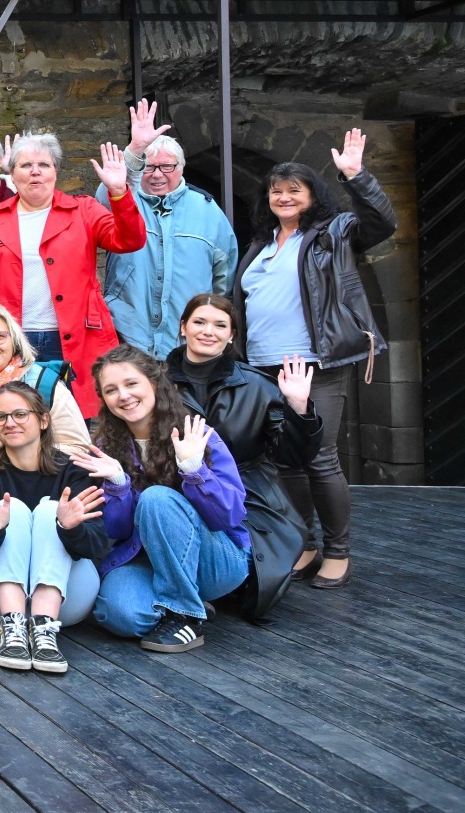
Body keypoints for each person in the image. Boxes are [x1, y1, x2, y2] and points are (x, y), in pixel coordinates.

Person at [231, 129, 396, 591]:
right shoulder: (261, 244)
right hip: (262, 366)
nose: (283, 197)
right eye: (276, 191)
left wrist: (356, 176)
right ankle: (304, 544)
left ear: (311, 196)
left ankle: (338, 551)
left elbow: (382, 224)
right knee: (283, 461)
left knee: (320, 458)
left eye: (293, 190)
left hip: (314, 363)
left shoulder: (333, 233)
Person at [167, 293, 320, 621]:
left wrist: (298, 408)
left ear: (232, 334)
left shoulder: (258, 385)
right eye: (199, 322)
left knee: (248, 577)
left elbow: (294, 457)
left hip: (249, 492)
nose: (209, 331)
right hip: (175, 485)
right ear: (183, 327)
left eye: (220, 325)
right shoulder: (155, 382)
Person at [87, 346, 248, 653]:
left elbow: (229, 515)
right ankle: (187, 600)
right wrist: (118, 484)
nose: (123, 395)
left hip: (213, 561)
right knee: (120, 615)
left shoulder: (196, 434)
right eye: (111, 390)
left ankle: (184, 613)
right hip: (147, 559)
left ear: (154, 383)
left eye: (131, 384)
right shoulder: (107, 447)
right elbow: (116, 532)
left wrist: (194, 470)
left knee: (157, 499)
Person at [0, 134, 144, 414]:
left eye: (44, 164)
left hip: (74, 336)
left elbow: (130, 241)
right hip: (13, 339)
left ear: (56, 172)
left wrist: (118, 193)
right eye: (26, 165)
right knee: (16, 417)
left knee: (74, 420)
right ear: (11, 174)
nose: (36, 171)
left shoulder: (84, 209)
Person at [0, 382, 110, 673]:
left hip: (66, 600)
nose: (10, 422)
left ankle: (44, 630)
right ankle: (13, 629)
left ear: (44, 420)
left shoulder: (73, 470)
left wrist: (70, 527)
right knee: (16, 510)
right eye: (0, 417)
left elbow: (97, 545)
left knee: (51, 510)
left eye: (20, 414)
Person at [101, 100, 238, 356]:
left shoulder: (207, 209)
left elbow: (225, 275)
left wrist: (209, 316)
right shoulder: (123, 199)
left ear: (182, 168)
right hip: (128, 332)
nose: (157, 175)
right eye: (149, 167)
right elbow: (107, 195)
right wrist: (135, 150)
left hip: (185, 339)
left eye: (167, 167)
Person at [0, 304, 93, 457]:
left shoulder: (45, 384)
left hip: (41, 476)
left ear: (14, 341)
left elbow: (77, 448)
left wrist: (13, 452)